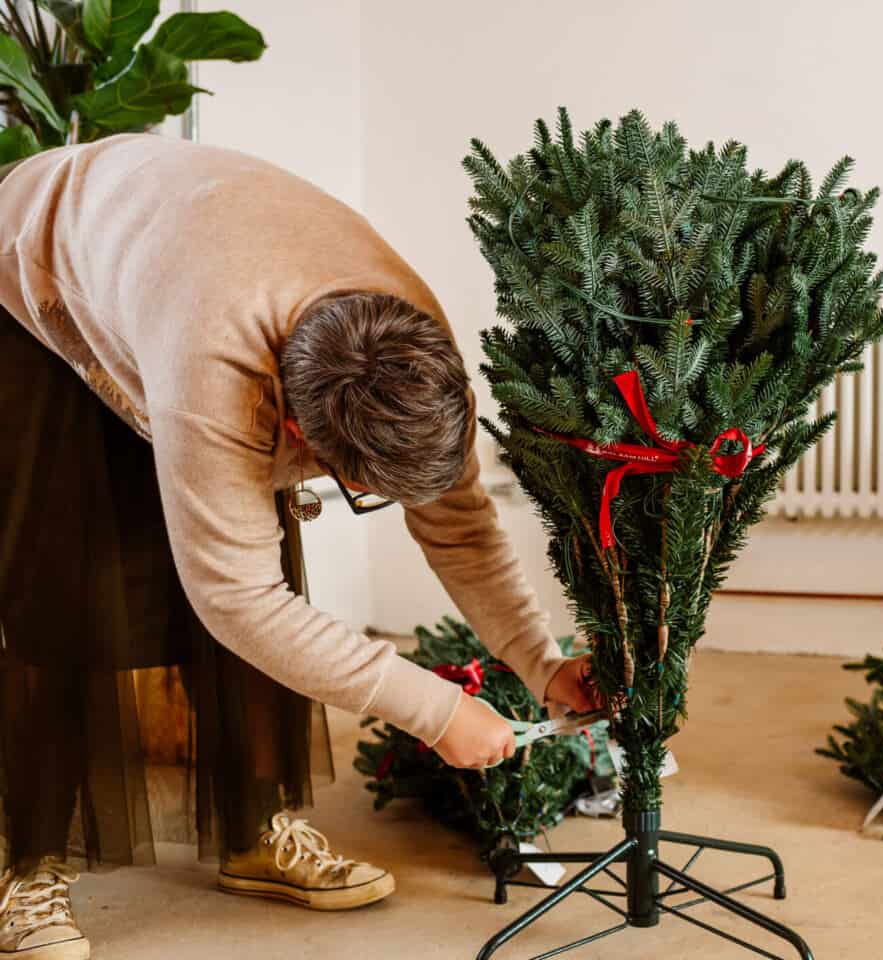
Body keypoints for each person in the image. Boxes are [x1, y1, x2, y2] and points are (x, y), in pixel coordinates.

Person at [0, 135, 598, 960]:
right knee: (72, 574)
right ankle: (25, 865)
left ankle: (251, 832)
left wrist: (542, 662)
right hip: (37, 271)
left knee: (268, 559)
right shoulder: (218, 366)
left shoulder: (414, 357)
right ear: (292, 428)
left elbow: (457, 524)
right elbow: (237, 600)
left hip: (180, 257)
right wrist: (436, 712)